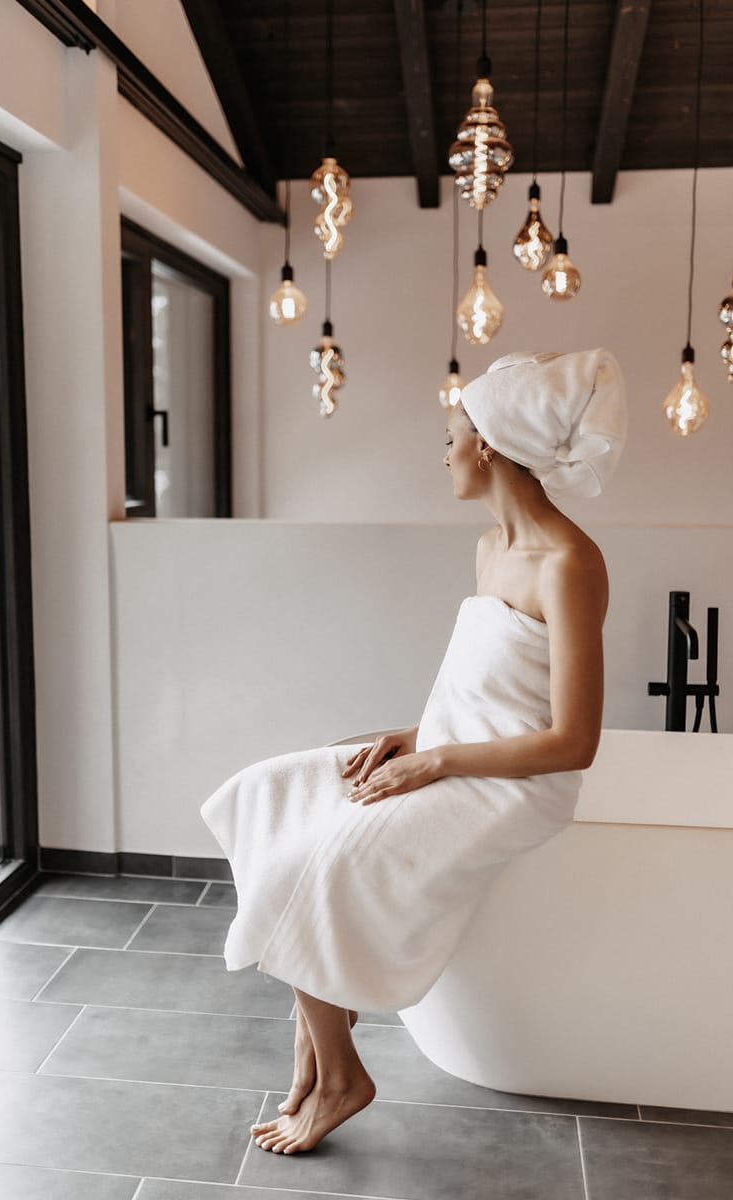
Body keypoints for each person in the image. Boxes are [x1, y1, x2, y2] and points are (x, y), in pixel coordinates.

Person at [200, 347, 627, 1156]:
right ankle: (317, 1029)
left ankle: (339, 1074)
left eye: (450, 437)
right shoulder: (489, 548)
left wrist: (436, 762)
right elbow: (486, 689)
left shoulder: (571, 564)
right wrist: (418, 734)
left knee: (301, 869)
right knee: (271, 791)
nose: (445, 453)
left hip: (517, 785)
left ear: (488, 446)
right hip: (457, 754)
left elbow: (574, 742)